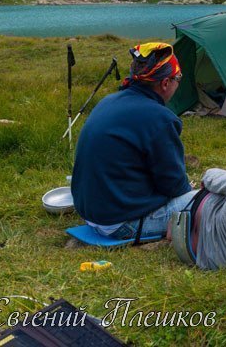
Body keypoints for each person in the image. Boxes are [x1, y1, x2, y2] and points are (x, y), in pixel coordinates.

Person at [71, 42, 195, 242]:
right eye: (178, 78)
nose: (177, 84)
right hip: (120, 223)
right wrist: (188, 190)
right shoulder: (160, 118)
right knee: (205, 200)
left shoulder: (108, 101)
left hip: (91, 214)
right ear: (165, 83)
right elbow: (174, 186)